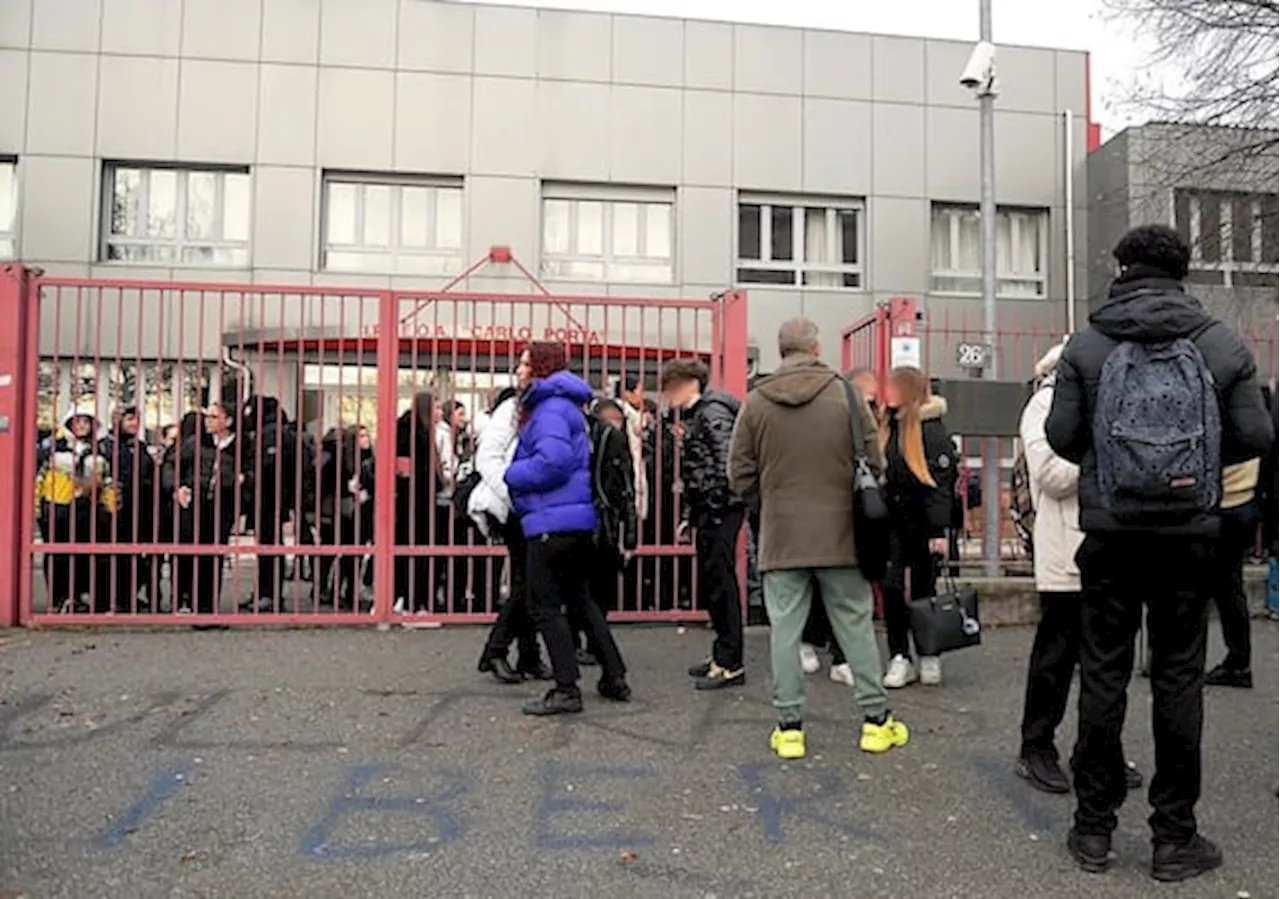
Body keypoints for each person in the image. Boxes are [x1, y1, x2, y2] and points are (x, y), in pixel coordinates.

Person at [1045, 224, 1273, 881]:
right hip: (1190, 538)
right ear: (1184, 270)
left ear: (1122, 267)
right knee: (1178, 680)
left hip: (1111, 535)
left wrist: (1115, 463)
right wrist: (1192, 469)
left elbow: (1061, 435)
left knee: (1104, 675)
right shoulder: (1221, 343)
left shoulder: (1087, 344)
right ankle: (1175, 837)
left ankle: (1093, 830)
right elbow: (1258, 433)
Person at [729, 318, 910, 759]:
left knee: (786, 631)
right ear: (815, 345)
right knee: (855, 626)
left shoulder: (755, 401)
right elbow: (874, 461)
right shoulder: (845, 394)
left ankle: (789, 727)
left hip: (782, 534)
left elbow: (739, 475)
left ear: (781, 349)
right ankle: (875, 721)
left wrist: (768, 500)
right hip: (842, 534)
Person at [1016, 343, 1144, 795]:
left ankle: (1099, 749)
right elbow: (1049, 473)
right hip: (1065, 552)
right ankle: (1036, 746)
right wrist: (1110, 454)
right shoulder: (1043, 406)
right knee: (1055, 658)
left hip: (1112, 546)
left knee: (1107, 665)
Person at [505, 343, 629, 716]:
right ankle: (613, 675)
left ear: (540, 368)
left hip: (551, 520)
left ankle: (565, 688)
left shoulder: (549, 409)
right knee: (580, 600)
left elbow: (553, 462)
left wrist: (511, 474)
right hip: (571, 519)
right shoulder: (565, 406)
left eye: (526, 363)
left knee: (543, 605)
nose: (520, 369)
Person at [662, 358, 746, 689]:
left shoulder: (711, 413)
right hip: (714, 510)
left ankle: (730, 662)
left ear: (688, 384)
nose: (668, 395)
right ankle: (723, 656)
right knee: (715, 583)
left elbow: (725, 465)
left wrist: (709, 505)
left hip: (719, 511)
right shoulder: (706, 412)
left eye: (671, 387)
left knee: (720, 584)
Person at [878, 366, 958, 689]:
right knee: (892, 586)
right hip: (890, 521)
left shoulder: (931, 429)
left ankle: (928, 653)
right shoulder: (887, 424)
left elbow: (941, 485)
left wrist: (939, 531)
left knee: (924, 588)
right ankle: (900, 655)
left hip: (922, 522)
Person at [474, 385, 550, 684]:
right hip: (515, 505)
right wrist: (511, 494)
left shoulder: (544, 408)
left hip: (531, 504)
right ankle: (497, 650)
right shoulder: (512, 409)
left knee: (530, 581)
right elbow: (488, 457)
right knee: (527, 581)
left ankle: (527, 654)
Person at [164, 402, 245, 617]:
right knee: (189, 552)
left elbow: (254, 472)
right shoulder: (195, 443)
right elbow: (171, 464)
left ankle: (208, 606)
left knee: (214, 555)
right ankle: (184, 599)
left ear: (228, 421)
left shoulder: (242, 446)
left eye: (214, 417)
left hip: (222, 506)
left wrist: (243, 480)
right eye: (208, 416)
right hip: (194, 505)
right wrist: (177, 487)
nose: (208, 421)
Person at [36, 402, 115, 613]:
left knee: (86, 555)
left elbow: (107, 481)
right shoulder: (54, 449)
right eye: (77, 421)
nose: (81, 425)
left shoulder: (99, 452)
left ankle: (82, 597)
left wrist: (110, 509)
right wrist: (39, 510)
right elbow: (39, 479)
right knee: (57, 555)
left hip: (88, 510)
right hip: (58, 507)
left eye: (86, 422)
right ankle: (59, 599)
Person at [1203, 453, 1260, 689]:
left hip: (1217, 502)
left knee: (1199, 586)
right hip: (1243, 497)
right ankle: (1239, 659)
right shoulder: (1251, 416)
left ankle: (1236, 662)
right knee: (1230, 587)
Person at [395, 392, 443, 613]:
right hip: (416, 500)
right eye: (436, 407)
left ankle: (405, 598)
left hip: (412, 500)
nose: (439, 413)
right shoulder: (412, 431)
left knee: (411, 549)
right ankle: (413, 602)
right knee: (416, 549)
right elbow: (406, 468)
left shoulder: (413, 429)